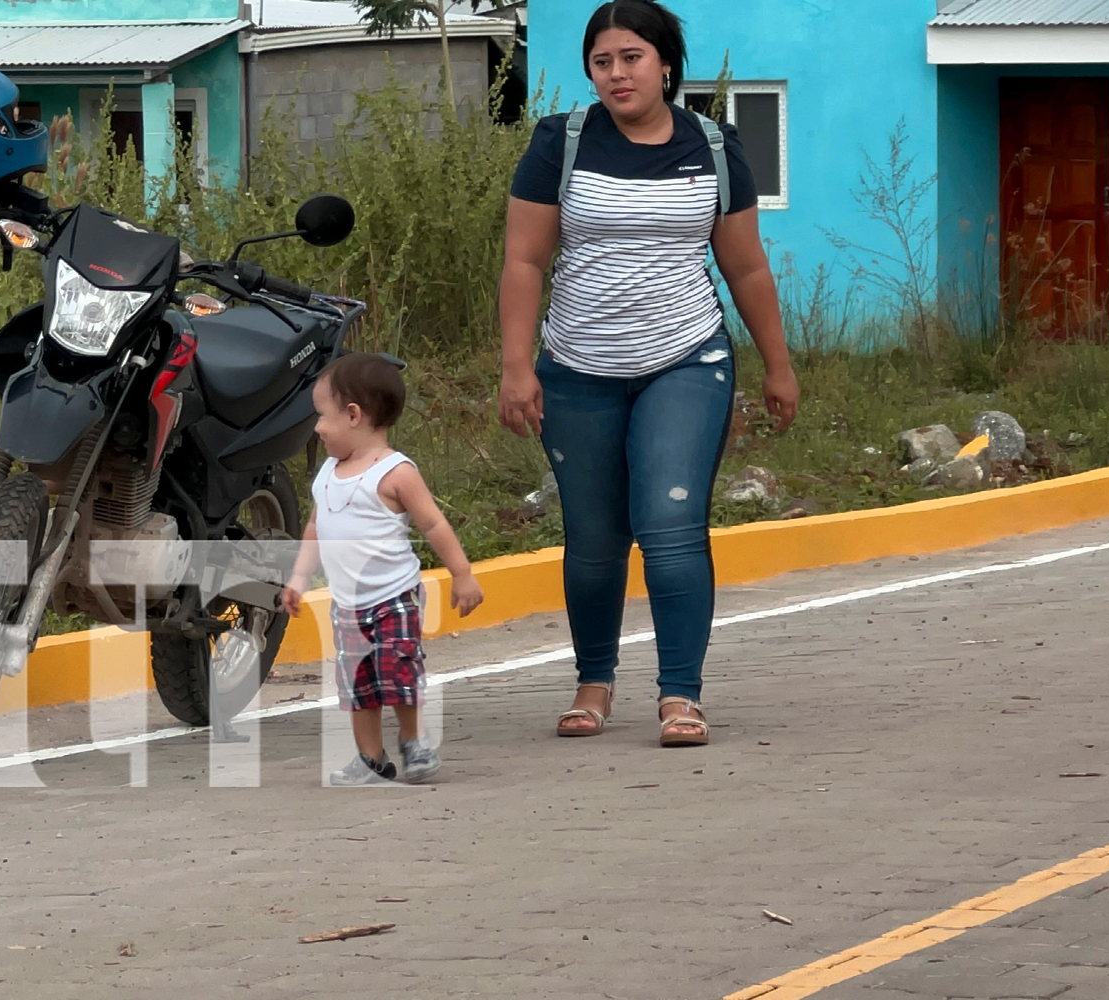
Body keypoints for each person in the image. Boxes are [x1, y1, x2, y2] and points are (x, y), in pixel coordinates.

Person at [495, 0, 799, 747]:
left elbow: (747, 266)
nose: (617, 74)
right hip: (576, 365)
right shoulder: (559, 143)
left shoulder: (715, 147)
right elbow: (525, 260)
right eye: (602, 61)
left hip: (686, 358)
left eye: (632, 58)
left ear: (665, 64)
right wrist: (514, 367)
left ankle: (680, 694)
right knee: (595, 539)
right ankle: (593, 680)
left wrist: (778, 366)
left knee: (669, 526)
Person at [283, 352, 485, 785]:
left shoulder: (396, 472)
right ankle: (371, 760)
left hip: (394, 596)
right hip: (347, 606)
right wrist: (299, 577)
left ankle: (413, 740)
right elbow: (315, 526)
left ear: (353, 415)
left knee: (397, 671)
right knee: (357, 686)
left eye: (322, 416)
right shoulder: (327, 473)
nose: (316, 427)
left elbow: (434, 523)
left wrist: (462, 573)